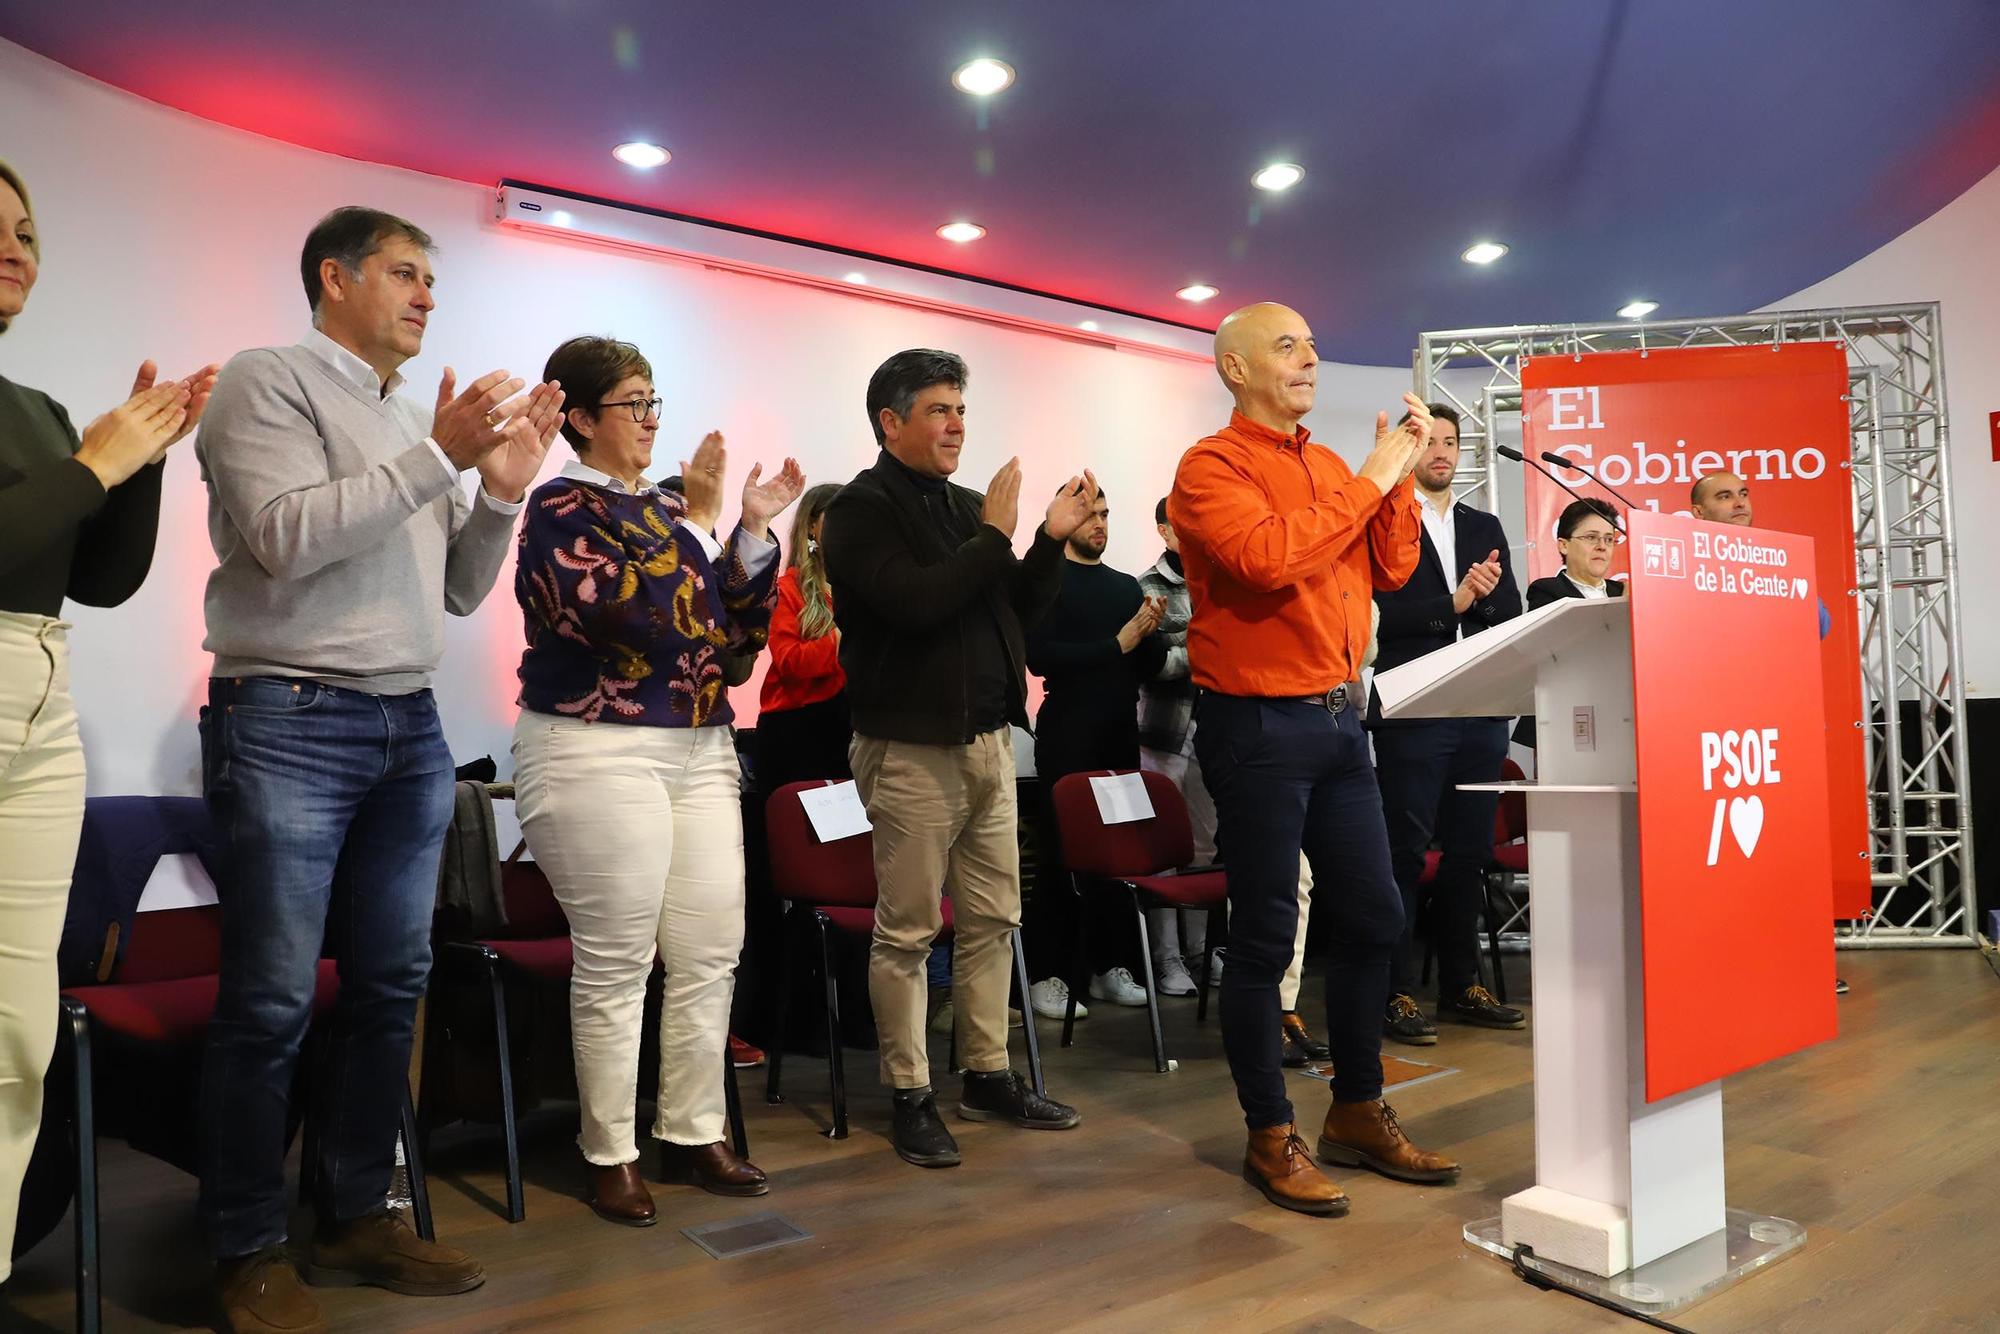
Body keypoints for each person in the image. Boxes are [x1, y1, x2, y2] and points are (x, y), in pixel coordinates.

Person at [196, 205, 563, 1333]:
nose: (424, 296)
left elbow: (455, 587)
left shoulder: (411, 419)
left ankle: (354, 1210)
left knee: (392, 983)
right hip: (289, 716)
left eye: (429, 280)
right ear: (334, 277)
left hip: (407, 726)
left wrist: (497, 489)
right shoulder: (266, 381)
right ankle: (245, 1245)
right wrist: (437, 458)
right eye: (404, 273)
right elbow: (286, 535)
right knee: (268, 995)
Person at [1170, 301, 1459, 1217]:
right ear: (1235, 369)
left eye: (1312, 344)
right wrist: (1372, 477)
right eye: (1286, 346)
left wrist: (1399, 480)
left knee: (1375, 912)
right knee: (1263, 935)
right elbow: (1268, 559)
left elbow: (1393, 570)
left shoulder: (1331, 466)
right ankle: (1269, 1133)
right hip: (1256, 727)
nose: (1310, 357)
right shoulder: (1209, 466)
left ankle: (1357, 1110)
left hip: (1340, 721)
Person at [511, 334, 800, 1226]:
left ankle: (693, 1130)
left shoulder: (678, 508)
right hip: (596, 744)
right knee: (618, 959)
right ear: (583, 418)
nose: (648, 420)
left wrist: (749, 531)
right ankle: (611, 1151)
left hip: (701, 744)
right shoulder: (559, 506)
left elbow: (734, 641)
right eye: (632, 403)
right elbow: (629, 622)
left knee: (712, 947)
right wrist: (707, 532)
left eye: (653, 401)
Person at [0, 160, 217, 1279]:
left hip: (38, 689)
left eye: (27, 229)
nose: (17, 247)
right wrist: (96, 461)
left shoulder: (32, 410)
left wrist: (142, 467)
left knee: (20, 1030)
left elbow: (100, 578)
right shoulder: (56, 437)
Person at [820, 348, 1094, 1168]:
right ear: (890, 421)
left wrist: (1044, 543)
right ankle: (909, 1093)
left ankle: (984, 1073)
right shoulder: (861, 510)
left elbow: (1012, 610)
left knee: (995, 919)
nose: (956, 426)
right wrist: (996, 537)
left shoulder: (969, 510)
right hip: (909, 750)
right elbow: (912, 605)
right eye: (939, 410)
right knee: (907, 932)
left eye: (962, 411)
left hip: (987, 746)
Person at [1138, 498, 1330, 1069]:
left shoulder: (1241, 580)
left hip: (1255, 735)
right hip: (1177, 734)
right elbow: (1151, 661)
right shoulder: (1149, 583)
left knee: (1267, 870)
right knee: (1186, 858)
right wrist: (1208, 650)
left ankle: (1259, 991)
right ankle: (1182, 963)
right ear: (1168, 530)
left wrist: (1201, 649)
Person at [1367, 404, 1525, 1046]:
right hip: (1413, 706)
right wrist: (1451, 605)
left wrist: (1482, 600)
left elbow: (1510, 610)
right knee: (1403, 854)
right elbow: (1376, 616)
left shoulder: (1482, 524)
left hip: (1479, 710)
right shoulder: (1382, 521)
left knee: (1468, 854)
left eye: (1451, 441)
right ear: (1407, 451)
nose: (1441, 451)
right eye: (1428, 441)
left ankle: (1463, 984)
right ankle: (1393, 991)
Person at [1691, 470, 1846, 996]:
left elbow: (1819, 624)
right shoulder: (1689, 564)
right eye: (1723, 496)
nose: (1738, 503)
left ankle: (1794, 962)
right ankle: (1726, 965)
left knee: (1781, 859)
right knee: (1722, 865)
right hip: (1713, 740)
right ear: (1698, 514)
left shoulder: (1773, 559)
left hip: (1772, 734)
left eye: (1742, 493)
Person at [1023, 485, 1166, 1018]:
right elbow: (1041, 659)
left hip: (1116, 731)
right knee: (1064, 857)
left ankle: (1110, 966)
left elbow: (1144, 665)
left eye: (1106, 513)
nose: (1100, 523)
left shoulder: (1125, 587)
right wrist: (1119, 644)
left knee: (1116, 855)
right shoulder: (1046, 583)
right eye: (1089, 513)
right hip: (1069, 732)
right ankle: (1049, 976)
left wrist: (1150, 633)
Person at [756, 481, 849, 792]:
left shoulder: (864, 589)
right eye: (839, 516)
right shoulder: (786, 589)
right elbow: (791, 663)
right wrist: (843, 635)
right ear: (811, 526)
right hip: (798, 736)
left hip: (854, 732)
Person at [1524, 499, 1626, 608]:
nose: (1602, 546)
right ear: (1564, 545)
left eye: (1609, 539)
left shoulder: (1623, 592)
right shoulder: (1546, 592)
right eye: (1591, 537)